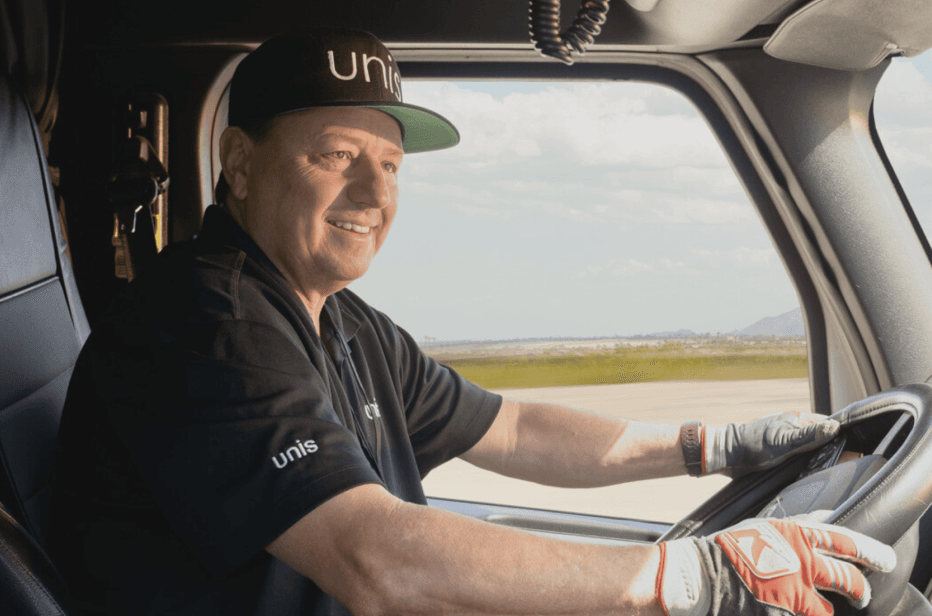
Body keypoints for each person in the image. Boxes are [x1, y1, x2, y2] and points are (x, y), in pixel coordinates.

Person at [50, 27, 895, 616]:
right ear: (238, 163)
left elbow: (514, 428)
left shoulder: (339, 320)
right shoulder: (206, 323)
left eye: (388, 165)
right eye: (336, 157)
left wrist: (714, 448)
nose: (376, 196)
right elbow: (375, 560)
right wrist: (690, 577)